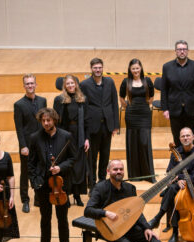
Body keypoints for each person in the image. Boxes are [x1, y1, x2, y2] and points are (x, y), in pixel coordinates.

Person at [84, 160, 164, 242]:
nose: (119, 172)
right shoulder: (100, 188)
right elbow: (88, 210)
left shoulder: (130, 188)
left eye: (121, 169)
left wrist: (147, 228)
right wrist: (105, 213)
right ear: (108, 171)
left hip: (130, 227)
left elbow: (136, 212)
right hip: (110, 230)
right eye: (115, 169)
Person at [28, 108, 77, 242]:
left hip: (60, 184)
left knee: (62, 219)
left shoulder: (66, 136)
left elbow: (73, 158)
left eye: (48, 120)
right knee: (45, 219)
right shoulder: (35, 138)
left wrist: (60, 167)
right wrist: (35, 182)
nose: (46, 123)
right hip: (43, 185)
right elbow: (31, 163)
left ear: (54, 120)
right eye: (43, 121)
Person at [148, 127, 194, 242]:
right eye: (183, 136)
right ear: (179, 138)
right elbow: (170, 172)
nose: (186, 138)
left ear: (193, 137)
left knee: (172, 190)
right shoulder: (176, 152)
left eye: (188, 135)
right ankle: (173, 231)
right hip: (178, 185)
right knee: (174, 191)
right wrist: (178, 180)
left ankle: (161, 221)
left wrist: (180, 178)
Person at [80, 58, 119, 187]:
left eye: (99, 67)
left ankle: (102, 182)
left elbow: (114, 103)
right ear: (91, 69)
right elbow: (83, 107)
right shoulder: (84, 85)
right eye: (95, 68)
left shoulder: (110, 82)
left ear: (102, 68)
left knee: (105, 156)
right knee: (92, 158)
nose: (98, 70)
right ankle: (92, 184)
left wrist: (115, 125)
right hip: (93, 126)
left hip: (107, 126)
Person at [53, 75, 90, 206]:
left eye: (72, 83)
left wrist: (87, 139)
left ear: (76, 84)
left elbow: (87, 121)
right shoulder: (59, 100)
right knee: (67, 166)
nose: (70, 85)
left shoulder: (82, 99)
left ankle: (77, 195)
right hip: (65, 136)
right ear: (64, 85)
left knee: (79, 167)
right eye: (67, 83)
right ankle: (67, 194)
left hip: (79, 135)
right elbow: (56, 120)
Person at [161, 40, 194, 145]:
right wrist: (165, 109)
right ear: (175, 51)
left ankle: (191, 156)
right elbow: (164, 89)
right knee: (177, 138)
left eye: (184, 49)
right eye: (179, 49)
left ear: (188, 51)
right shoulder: (167, 67)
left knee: (190, 139)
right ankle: (179, 156)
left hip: (191, 109)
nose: (182, 51)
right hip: (174, 108)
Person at [13, 73, 47, 213]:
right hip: (27, 144)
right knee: (25, 172)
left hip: (41, 142)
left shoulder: (42, 101)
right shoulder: (19, 104)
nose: (30, 85)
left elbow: (45, 121)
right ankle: (25, 200)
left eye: (32, 83)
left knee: (40, 170)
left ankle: (38, 198)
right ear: (24, 86)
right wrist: (23, 146)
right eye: (27, 83)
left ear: (36, 84)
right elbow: (19, 128)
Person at [119, 58, 155, 183]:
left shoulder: (147, 80)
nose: (135, 70)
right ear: (130, 69)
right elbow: (121, 97)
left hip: (144, 115)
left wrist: (145, 105)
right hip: (131, 115)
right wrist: (129, 107)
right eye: (133, 68)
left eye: (137, 68)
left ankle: (148, 175)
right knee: (133, 143)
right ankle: (135, 176)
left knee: (145, 143)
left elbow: (151, 96)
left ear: (141, 68)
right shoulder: (126, 82)